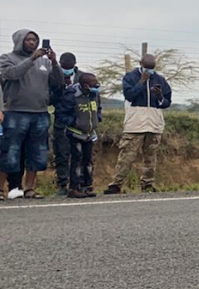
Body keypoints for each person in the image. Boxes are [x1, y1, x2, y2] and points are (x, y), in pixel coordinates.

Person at [0, 29, 63, 200]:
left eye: (34, 40)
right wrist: (32, 59)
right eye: (28, 40)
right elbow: (11, 74)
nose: (32, 42)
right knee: (9, 151)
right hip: (15, 112)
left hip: (40, 113)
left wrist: (55, 63)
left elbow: (58, 83)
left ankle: (29, 188)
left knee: (37, 152)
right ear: (19, 41)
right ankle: (1, 188)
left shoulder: (45, 62)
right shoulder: (7, 58)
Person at [104, 53, 172, 194]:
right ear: (141, 64)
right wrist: (141, 82)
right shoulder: (130, 77)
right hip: (134, 123)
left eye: (152, 68)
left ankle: (147, 184)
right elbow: (129, 95)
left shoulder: (160, 79)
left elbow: (166, 103)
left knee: (150, 157)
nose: (149, 70)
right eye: (147, 67)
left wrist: (159, 96)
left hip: (154, 123)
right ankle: (116, 184)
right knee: (127, 156)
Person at [58, 72, 103, 198]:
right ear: (86, 85)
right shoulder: (72, 95)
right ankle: (74, 188)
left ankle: (87, 186)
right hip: (75, 133)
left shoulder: (95, 95)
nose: (97, 86)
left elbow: (98, 108)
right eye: (94, 84)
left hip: (89, 133)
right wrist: (74, 122)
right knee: (76, 160)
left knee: (88, 161)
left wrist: (97, 118)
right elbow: (61, 114)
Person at [50, 52, 79, 195]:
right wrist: (60, 88)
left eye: (70, 67)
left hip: (79, 121)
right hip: (61, 120)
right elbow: (50, 97)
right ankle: (62, 184)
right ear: (60, 64)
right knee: (61, 153)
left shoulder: (82, 77)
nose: (67, 69)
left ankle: (77, 184)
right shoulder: (54, 76)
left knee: (78, 154)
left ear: (75, 64)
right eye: (64, 67)